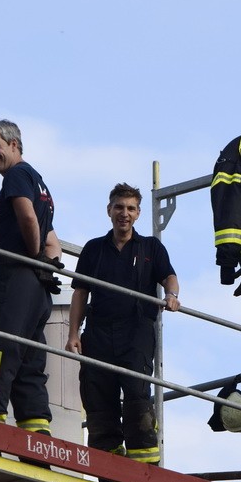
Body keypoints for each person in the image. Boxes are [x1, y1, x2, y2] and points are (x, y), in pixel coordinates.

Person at [66, 183, 180, 465]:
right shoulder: (94, 249)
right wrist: (73, 334)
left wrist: (172, 295)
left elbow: (169, 277)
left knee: (136, 395)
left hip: (136, 334)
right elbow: (80, 292)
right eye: (119, 207)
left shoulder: (151, 247)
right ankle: (108, 464)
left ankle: (144, 467)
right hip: (98, 333)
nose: (124, 213)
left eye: (130, 208)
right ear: (109, 210)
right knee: (97, 396)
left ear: (138, 213)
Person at [0, 118, 63, 437]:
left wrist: (32, 254)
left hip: (11, 278)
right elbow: (54, 242)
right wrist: (46, 268)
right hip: (36, 289)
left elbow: (26, 216)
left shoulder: (17, 176)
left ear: (14, 145)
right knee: (29, 357)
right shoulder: (40, 182)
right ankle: (36, 430)